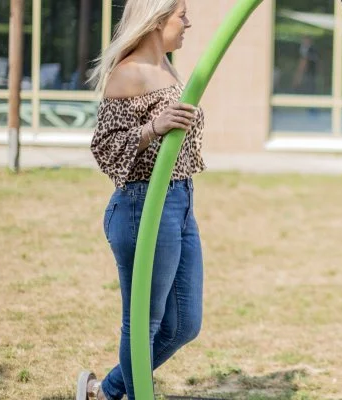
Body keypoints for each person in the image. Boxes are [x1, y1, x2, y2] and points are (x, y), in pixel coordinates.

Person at [76, 1, 203, 399]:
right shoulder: (128, 74)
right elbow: (105, 148)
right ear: (156, 19)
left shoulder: (167, 67)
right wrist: (153, 127)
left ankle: (102, 391)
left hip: (180, 202)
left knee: (184, 324)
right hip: (141, 204)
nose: (188, 22)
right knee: (144, 323)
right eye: (181, 15)